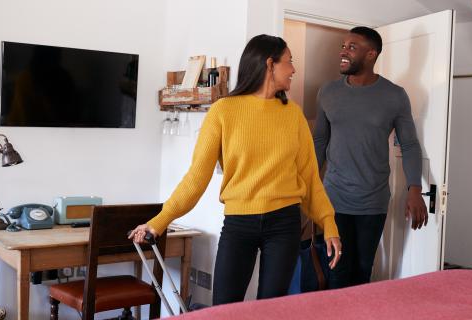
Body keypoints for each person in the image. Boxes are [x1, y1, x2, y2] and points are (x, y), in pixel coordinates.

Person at [129, 34, 342, 305]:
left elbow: (310, 179)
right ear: (269, 64)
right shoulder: (223, 112)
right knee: (224, 308)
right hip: (239, 223)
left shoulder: (293, 115)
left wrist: (329, 223)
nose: (294, 70)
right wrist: (159, 222)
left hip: (285, 223)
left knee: (272, 309)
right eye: (289, 62)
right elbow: (196, 178)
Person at [313, 27, 427, 289]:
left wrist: (415, 189)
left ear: (371, 54)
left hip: (372, 200)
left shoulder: (395, 96)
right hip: (334, 198)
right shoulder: (328, 92)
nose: (343, 50)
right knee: (337, 271)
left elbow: (409, 144)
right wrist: (306, 185)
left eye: (352, 47)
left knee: (363, 271)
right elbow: (319, 140)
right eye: (343, 45)